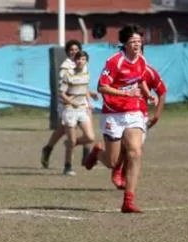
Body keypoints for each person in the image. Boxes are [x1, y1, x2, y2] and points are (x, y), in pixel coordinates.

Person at [83, 24, 156, 213]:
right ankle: (98, 152)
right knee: (113, 162)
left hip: (133, 113)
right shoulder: (114, 61)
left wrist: (147, 94)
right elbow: (102, 87)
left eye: (139, 41)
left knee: (135, 151)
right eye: (133, 41)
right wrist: (125, 94)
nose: (137, 44)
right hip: (113, 113)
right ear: (124, 43)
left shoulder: (141, 60)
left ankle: (128, 201)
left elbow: (140, 80)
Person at [41, 40, 90, 169]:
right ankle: (50, 149)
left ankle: (86, 153)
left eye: (76, 49)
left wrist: (88, 98)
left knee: (86, 127)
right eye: (71, 50)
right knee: (64, 130)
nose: (74, 52)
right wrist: (70, 101)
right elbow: (63, 88)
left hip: (81, 101)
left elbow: (83, 84)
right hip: (67, 103)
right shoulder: (66, 66)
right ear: (67, 52)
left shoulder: (83, 63)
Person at [58, 51, 98, 176]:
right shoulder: (68, 75)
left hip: (82, 109)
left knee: (90, 137)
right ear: (74, 61)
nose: (80, 61)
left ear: (87, 61)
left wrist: (90, 95)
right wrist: (71, 102)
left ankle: (70, 143)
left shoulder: (86, 74)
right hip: (70, 110)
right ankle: (67, 167)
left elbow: (84, 88)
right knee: (72, 141)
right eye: (78, 59)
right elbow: (61, 93)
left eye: (83, 59)